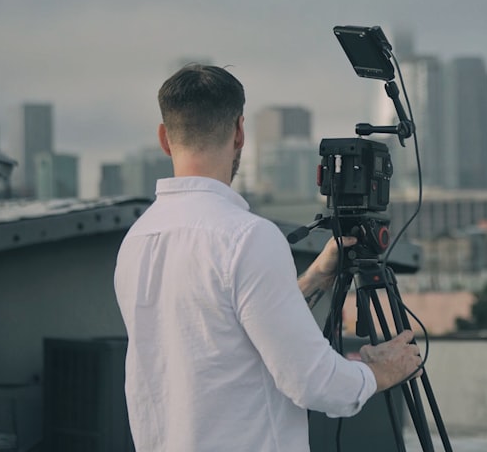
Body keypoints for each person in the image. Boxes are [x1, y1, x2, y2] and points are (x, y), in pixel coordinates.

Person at [114, 64, 422, 451]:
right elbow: (314, 383)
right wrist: (382, 371)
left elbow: (225, 327)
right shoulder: (246, 237)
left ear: (164, 137)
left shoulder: (138, 239)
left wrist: (312, 281)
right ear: (240, 132)